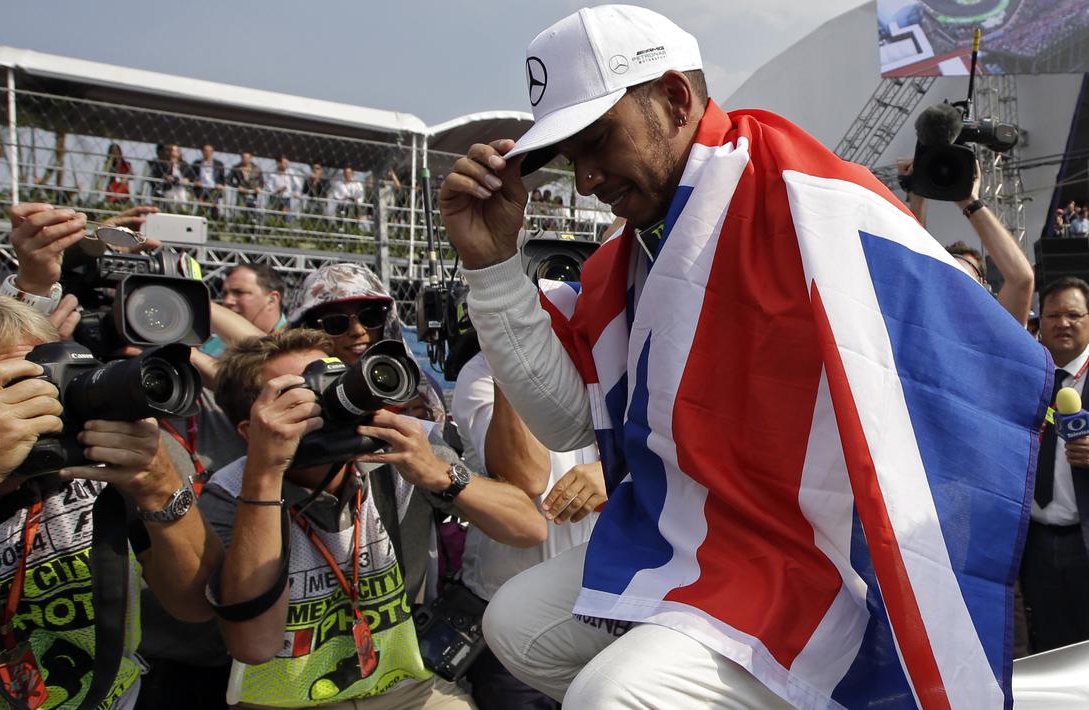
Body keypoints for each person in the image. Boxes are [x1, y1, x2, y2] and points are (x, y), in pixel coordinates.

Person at [439, 5, 1046, 708]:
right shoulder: (633, 248)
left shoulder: (808, 194)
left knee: (611, 695)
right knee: (515, 625)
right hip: (699, 535)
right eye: (569, 157)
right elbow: (567, 423)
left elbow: (986, 358)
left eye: (597, 141)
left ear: (673, 99)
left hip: (815, 558)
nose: (584, 179)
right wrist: (488, 268)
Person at [0, 284, 222, 709]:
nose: (58, 400)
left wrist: (162, 489)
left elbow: (197, 606)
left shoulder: (89, 459)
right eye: (24, 381)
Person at [201, 330, 546, 708]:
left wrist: (439, 475)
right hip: (286, 700)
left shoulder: (400, 452)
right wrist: (265, 473)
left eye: (334, 382)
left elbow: (528, 528)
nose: (331, 403)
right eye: (302, 397)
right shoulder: (231, 492)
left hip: (405, 688)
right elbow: (254, 644)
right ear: (252, 430)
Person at [453, 349, 603, 710]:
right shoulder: (480, 375)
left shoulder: (601, 365)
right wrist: (509, 366)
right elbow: (530, 477)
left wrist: (611, 474)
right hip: (508, 618)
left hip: (596, 609)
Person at [287, 262, 445, 423]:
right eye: (335, 323)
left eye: (370, 317)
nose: (358, 331)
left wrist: (424, 431)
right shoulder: (294, 390)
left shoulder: (413, 386)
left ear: (387, 320)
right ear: (308, 329)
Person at [1025, 276, 1089, 653]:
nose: (1062, 322)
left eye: (1073, 314)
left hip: (1084, 541)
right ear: (1040, 322)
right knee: (1049, 647)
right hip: (1036, 543)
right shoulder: (1029, 376)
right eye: (1053, 315)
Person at [900, 156, 1035, 324]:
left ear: (984, 286)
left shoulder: (995, 329)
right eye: (950, 278)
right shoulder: (925, 322)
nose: (958, 285)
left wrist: (969, 200)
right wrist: (917, 197)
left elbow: (1021, 280)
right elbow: (914, 267)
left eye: (966, 279)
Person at [193, 144, 226, 218]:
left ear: (212, 152)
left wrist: (220, 185)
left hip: (214, 190)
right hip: (201, 189)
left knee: (214, 211)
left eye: (209, 151)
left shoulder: (219, 164)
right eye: (205, 150)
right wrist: (196, 181)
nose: (207, 153)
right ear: (202, 152)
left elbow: (223, 179)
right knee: (200, 211)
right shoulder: (196, 163)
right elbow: (192, 175)